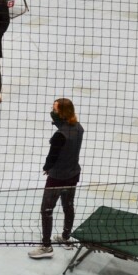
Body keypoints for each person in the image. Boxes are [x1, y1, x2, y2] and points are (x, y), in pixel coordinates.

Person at [28, 98, 84, 260]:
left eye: (55, 109)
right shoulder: (79, 128)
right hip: (73, 174)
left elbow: (52, 156)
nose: (52, 112)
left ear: (61, 113)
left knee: (46, 209)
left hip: (57, 178)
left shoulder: (60, 136)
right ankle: (66, 237)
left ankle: (46, 246)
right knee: (68, 205)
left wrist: (47, 168)